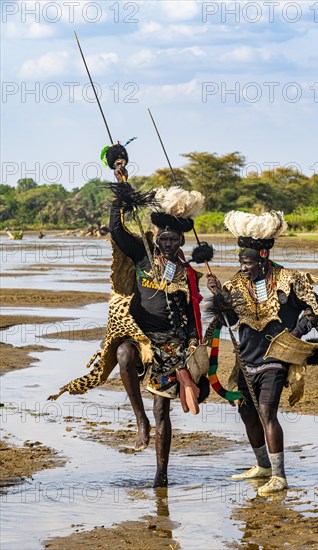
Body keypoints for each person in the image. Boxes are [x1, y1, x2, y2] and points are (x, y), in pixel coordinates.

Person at [49, 144, 209, 488]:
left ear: (181, 240)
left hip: (174, 347)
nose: (167, 243)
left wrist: (196, 349)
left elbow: (195, 312)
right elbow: (117, 231)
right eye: (163, 237)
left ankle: (161, 475)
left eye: (174, 238)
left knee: (164, 409)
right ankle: (140, 421)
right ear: (158, 237)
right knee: (122, 354)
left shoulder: (188, 272)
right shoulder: (142, 255)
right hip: (141, 338)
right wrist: (121, 193)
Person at [207, 210, 318, 495]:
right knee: (247, 412)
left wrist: (295, 334)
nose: (244, 267)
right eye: (241, 262)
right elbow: (227, 317)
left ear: (263, 259)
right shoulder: (236, 284)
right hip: (246, 359)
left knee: (267, 413)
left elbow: (315, 308)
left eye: (248, 262)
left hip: (276, 358)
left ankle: (280, 477)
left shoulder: (289, 278)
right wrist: (216, 294)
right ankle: (262, 466)